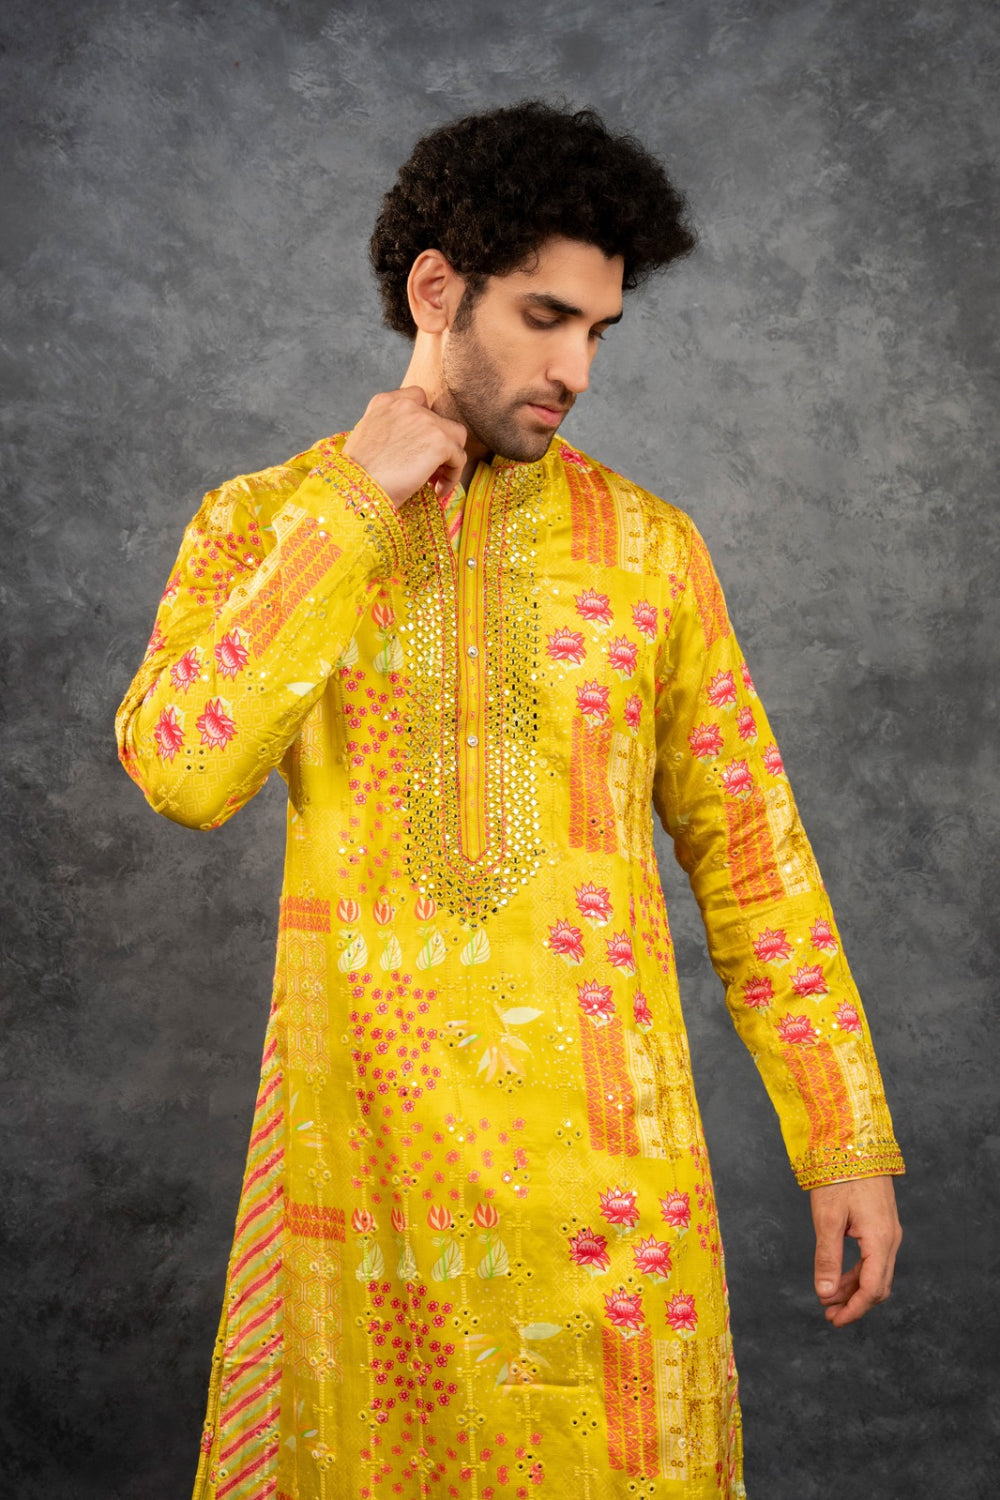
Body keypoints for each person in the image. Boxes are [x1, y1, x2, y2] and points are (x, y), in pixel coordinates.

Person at [116, 100, 904, 1500]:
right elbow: (182, 768)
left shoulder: (651, 552)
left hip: (608, 1207)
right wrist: (352, 512)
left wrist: (841, 1139)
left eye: (599, 331)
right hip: (366, 1199)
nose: (577, 370)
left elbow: (752, 855)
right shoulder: (263, 525)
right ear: (438, 289)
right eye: (547, 318)